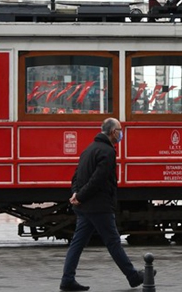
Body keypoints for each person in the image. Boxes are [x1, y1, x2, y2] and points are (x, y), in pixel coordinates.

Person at [60, 118, 144, 292]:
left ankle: (67, 279)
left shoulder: (88, 150)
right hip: (99, 206)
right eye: (120, 130)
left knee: (77, 243)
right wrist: (80, 196)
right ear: (113, 132)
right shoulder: (107, 152)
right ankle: (133, 277)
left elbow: (76, 177)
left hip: (85, 207)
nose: (121, 133)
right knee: (113, 242)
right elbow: (98, 180)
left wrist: (76, 194)